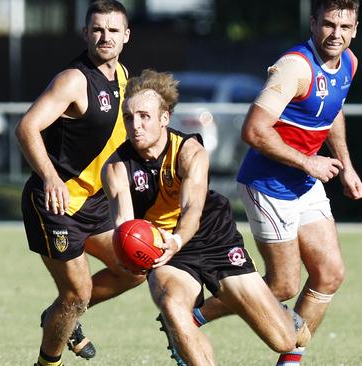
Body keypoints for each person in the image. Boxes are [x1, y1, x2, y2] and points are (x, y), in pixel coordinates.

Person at [189, 1, 362, 365]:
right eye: (328, 24)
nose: (336, 34)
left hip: (304, 180)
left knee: (329, 274)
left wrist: (346, 165)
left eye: (345, 27)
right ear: (313, 23)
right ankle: (190, 317)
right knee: (282, 285)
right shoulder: (294, 67)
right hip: (268, 184)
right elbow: (253, 130)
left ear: (356, 28)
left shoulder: (349, 62)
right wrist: (308, 162)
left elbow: (333, 110)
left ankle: (290, 362)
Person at [101, 68, 311, 366]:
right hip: (165, 249)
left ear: (164, 118)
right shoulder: (116, 167)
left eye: (144, 116)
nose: (135, 125)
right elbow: (124, 223)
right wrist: (131, 252)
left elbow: (192, 211)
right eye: (129, 117)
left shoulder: (190, 152)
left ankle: (277, 314)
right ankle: (182, 335)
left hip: (213, 238)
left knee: (285, 340)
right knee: (173, 307)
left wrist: (176, 240)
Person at [15, 2, 145, 366]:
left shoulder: (122, 75)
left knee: (134, 268)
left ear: (126, 36)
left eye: (113, 30)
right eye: (98, 29)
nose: (106, 37)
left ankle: (61, 315)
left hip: (92, 202)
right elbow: (26, 127)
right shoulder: (73, 79)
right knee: (76, 294)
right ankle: (48, 360)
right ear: (86, 33)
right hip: (54, 203)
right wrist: (51, 178)